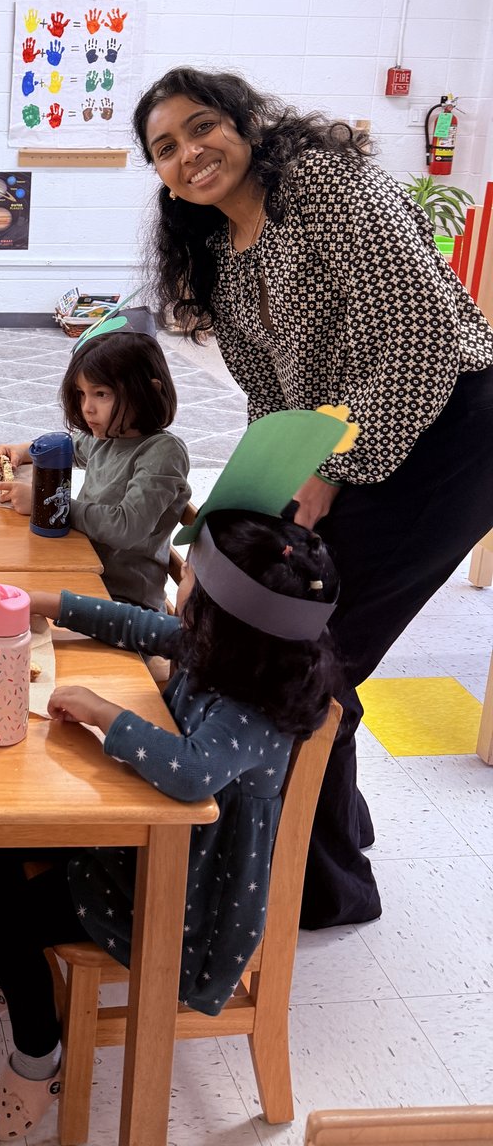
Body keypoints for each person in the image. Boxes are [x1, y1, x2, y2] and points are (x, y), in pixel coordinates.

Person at [132, 68, 493, 928]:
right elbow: (274, 407)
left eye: (202, 127)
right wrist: (233, 523)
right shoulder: (219, 249)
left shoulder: (325, 186)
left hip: (449, 432)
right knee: (276, 624)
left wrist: (327, 472)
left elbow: (422, 339)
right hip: (348, 442)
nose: (190, 154)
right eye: (166, 149)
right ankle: (331, 827)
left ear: (246, 122)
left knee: (308, 651)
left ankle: (318, 887)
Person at [0, 408, 347, 1140]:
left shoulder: (251, 709)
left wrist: (108, 712)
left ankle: (36, 1061)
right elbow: (142, 627)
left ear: (227, 621)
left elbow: (192, 773)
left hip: (178, 897)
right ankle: (11, 977)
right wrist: (42, 603)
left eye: (189, 588)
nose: (178, 596)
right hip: (143, 843)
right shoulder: (235, 651)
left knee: (8, 922)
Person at [0, 310, 189, 609]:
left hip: (122, 602)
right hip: (82, 568)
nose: (88, 408)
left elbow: (127, 527)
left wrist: (45, 503)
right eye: (82, 394)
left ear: (148, 392)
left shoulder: (162, 453)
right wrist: (23, 451)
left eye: (102, 394)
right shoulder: (110, 436)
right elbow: (68, 447)